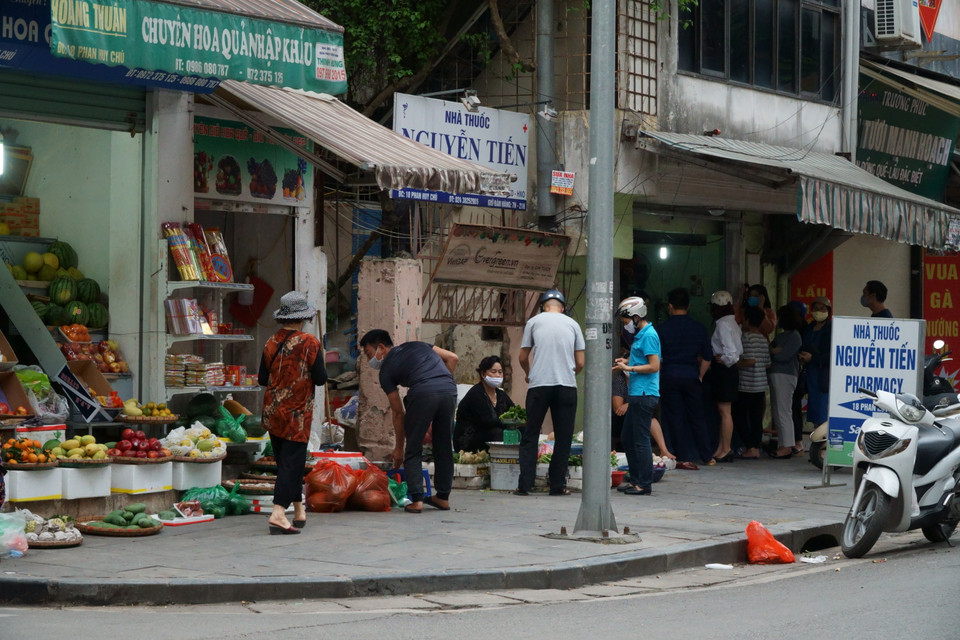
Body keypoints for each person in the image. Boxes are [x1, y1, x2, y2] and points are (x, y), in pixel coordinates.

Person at [360, 329, 459, 513]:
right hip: (449, 390)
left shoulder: (385, 372)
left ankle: (416, 500)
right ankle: (443, 497)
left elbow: (398, 413)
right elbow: (452, 358)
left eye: (368, 353)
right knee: (444, 446)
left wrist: (399, 448)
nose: (368, 360)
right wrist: (439, 387)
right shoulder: (419, 345)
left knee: (413, 447)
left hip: (423, 392)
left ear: (380, 348)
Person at [258, 291, 328, 535]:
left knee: (286, 463)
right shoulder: (309, 342)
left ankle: (299, 510)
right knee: (292, 463)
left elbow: (262, 378)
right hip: (296, 414)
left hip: (272, 411)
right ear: (303, 317)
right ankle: (278, 513)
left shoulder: (271, 341)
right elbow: (321, 378)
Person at [516, 289, 585, 496]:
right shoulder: (573, 324)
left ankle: (524, 485)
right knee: (563, 437)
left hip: (539, 385)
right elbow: (580, 362)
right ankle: (557, 485)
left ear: (543, 307)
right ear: (562, 308)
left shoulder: (534, 322)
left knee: (531, 434)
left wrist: (529, 373)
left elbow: (522, 357)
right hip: (566, 386)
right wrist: (570, 373)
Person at [656, 287, 712, 470]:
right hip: (691, 375)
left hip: (669, 375)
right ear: (688, 306)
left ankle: (682, 456)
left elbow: (657, 358)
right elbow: (708, 356)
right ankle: (706, 455)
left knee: (675, 417)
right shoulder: (699, 328)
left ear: (670, 306)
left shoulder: (662, 329)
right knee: (698, 416)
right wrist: (700, 375)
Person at [613, 296, 660, 496]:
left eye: (625, 320)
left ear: (635, 316)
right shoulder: (641, 335)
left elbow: (654, 366)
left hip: (644, 393)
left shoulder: (649, 335)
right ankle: (635, 480)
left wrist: (629, 368)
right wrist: (626, 361)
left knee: (640, 440)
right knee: (628, 437)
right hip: (636, 394)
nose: (624, 324)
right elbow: (643, 360)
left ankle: (644, 483)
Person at [454, 356, 516, 452]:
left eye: (500, 372)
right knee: (497, 433)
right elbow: (487, 421)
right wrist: (508, 422)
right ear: (483, 374)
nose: (498, 375)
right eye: (493, 372)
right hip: (470, 439)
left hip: (489, 434)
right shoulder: (476, 394)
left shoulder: (501, 394)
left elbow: (514, 411)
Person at [709, 290, 742, 463]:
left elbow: (732, 353)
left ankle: (726, 448)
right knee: (724, 411)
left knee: (725, 412)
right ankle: (722, 447)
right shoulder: (732, 322)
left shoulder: (722, 323)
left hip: (724, 370)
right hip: (729, 370)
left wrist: (723, 358)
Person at [613, 366, 674, 459]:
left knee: (650, 418)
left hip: (639, 413)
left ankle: (664, 450)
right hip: (622, 418)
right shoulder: (620, 381)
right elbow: (618, 409)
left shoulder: (644, 381)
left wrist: (630, 404)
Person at [733, 306, 771, 459]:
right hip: (760, 385)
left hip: (747, 385)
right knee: (756, 419)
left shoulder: (746, 338)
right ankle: (756, 446)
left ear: (747, 320)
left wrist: (736, 364)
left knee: (739, 416)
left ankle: (750, 446)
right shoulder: (763, 339)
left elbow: (750, 360)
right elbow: (767, 364)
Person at [768, 305, 803, 458]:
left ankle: (787, 445)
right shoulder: (781, 336)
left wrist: (776, 352)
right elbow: (771, 350)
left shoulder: (795, 336)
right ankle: (783, 444)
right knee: (777, 411)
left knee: (784, 411)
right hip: (777, 374)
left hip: (786, 375)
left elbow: (782, 356)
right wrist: (775, 351)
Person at [799, 296, 833, 434]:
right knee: (813, 408)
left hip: (822, 374)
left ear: (828, 311)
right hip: (809, 373)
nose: (819, 312)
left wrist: (813, 358)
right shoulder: (809, 327)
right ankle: (817, 436)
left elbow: (831, 354)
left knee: (821, 409)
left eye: (822, 309)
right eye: (816, 309)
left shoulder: (831, 328)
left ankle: (822, 440)